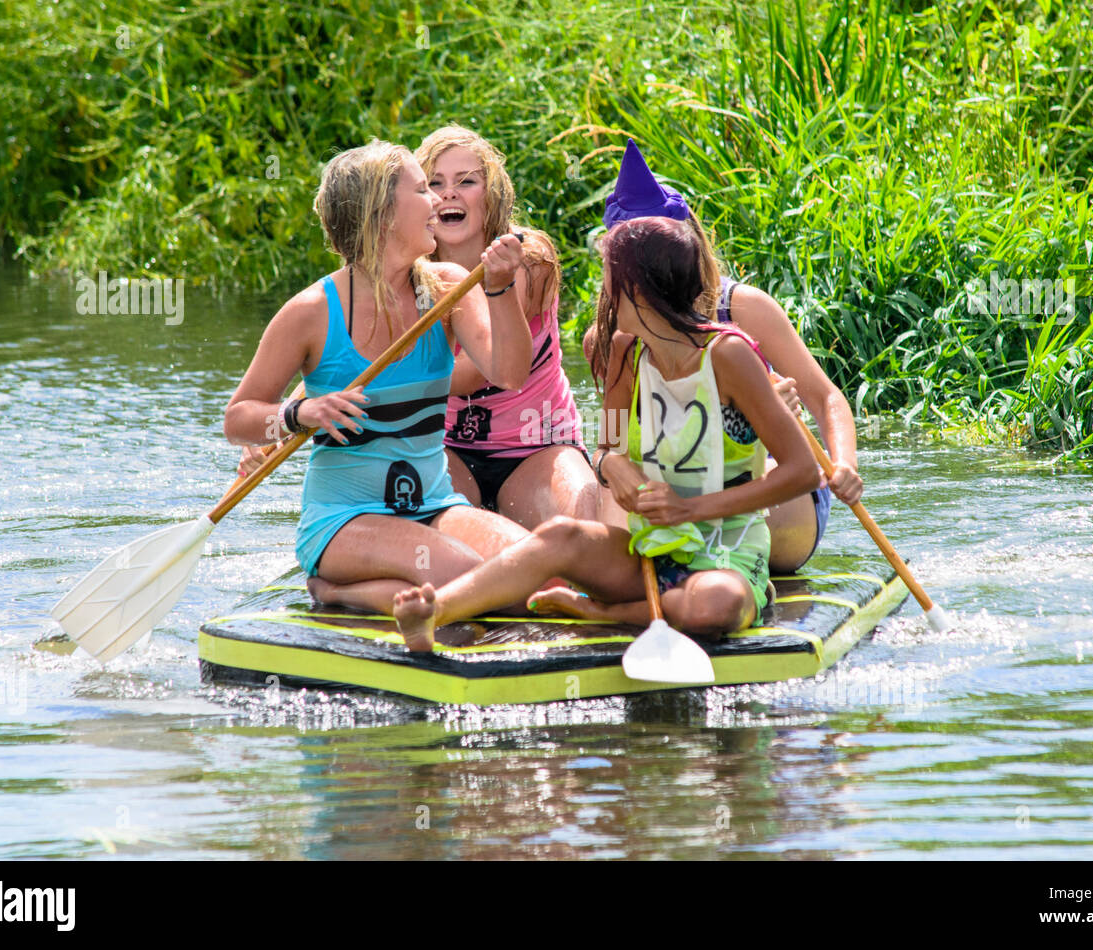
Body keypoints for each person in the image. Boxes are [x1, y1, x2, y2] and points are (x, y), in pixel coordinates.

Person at [382, 216, 821, 652]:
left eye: (610, 280)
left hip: (727, 554)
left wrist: (690, 509)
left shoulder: (730, 355)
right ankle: (434, 610)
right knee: (561, 535)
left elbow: (802, 471)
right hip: (650, 551)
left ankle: (603, 614)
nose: (604, 294)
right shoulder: (625, 353)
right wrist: (616, 468)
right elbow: (607, 447)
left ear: (640, 289)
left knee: (715, 606)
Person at [223, 140, 534, 614]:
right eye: (421, 189)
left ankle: (360, 593)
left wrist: (502, 287)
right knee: (472, 580)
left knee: (533, 573)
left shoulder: (447, 288)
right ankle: (334, 588)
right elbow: (238, 419)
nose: (436, 201)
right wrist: (299, 412)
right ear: (383, 215)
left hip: (435, 505)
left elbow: (509, 373)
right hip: (344, 520)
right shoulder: (309, 314)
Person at [586, 140, 863, 573]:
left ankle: (731, 571)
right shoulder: (614, 339)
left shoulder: (744, 309)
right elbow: (611, 441)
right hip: (675, 495)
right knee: (610, 505)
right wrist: (609, 462)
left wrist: (844, 462)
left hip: (758, 489)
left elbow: (824, 397)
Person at [417, 125, 600, 527]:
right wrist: (299, 409)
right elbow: (350, 344)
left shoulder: (527, 257)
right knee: (432, 538)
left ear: (492, 194)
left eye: (466, 181)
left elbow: (477, 373)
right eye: (435, 182)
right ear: (418, 201)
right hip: (446, 448)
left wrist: (374, 384)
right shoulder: (406, 270)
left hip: (538, 447)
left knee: (581, 528)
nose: (449, 193)